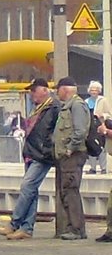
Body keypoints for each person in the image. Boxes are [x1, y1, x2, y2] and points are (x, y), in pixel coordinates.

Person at [0, 78, 58, 240]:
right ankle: (27, 228)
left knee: (27, 186)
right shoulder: (38, 108)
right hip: (30, 153)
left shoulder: (54, 108)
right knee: (32, 191)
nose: (31, 94)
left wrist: (47, 148)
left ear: (44, 90)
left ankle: (14, 223)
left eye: (33, 90)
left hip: (42, 154)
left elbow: (55, 131)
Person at [52, 76, 90, 239]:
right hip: (65, 157)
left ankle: (76, 229)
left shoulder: (77, 106)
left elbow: (80, 131)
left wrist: (70, 149)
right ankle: (73, 227)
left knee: (71, 190)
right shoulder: (67, 107)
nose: (56, 93)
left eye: (57, 89)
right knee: (66, 191)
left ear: (64, 89)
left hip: (73, 156)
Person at [85, 81, 109, 174]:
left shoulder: (103, 100)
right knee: (91, 146)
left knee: (101, 147)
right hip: (90, 127)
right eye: (92, 90)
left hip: (100, 126)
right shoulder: (86, 101)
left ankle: (103, 168)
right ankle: (93, 168)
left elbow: (109, 114)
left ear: (99, 91)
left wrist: (102, 115)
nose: (94, 92)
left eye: (96, 90)